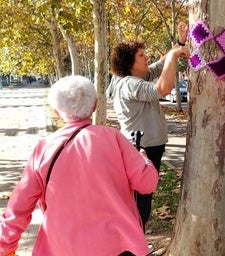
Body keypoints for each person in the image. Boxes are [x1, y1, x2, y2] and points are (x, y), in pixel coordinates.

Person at [0, 76, 158, 256]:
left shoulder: (43, 149)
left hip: (62, 247)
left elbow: (19, 207)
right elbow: (147, 183)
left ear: (57, 113)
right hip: (119, 244)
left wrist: (5, 246)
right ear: (95, 105)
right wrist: (144, 158)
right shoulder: (113, 138)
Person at [107, 21, 190, 231]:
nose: (147, 59)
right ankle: (134, 246)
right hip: (141, 148)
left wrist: (179, 42)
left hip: (145, 146)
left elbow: (160, 66)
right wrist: (173, 56)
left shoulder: (130, 78)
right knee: (140, 201)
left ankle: (134, 243)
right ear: (129, 63)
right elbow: (162, 89)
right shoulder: (130, 84)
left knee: (141, 198)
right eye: (142, 56)